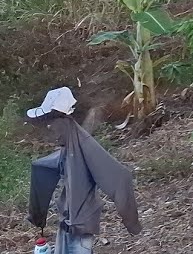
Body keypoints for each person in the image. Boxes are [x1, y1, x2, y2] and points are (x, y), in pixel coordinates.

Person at [26, 87, 142, 253]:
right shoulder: (68, 147)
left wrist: (132, 222)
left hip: (80, 229)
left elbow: (120, 177)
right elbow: (45, 167)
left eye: (50, 120)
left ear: (63, 119)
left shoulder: (85, 145)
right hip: (66, 224)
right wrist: (37, 214)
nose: (49, 126)